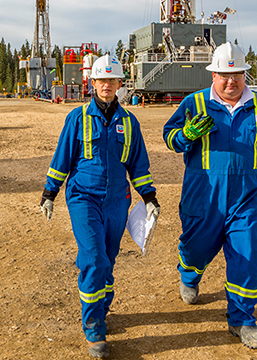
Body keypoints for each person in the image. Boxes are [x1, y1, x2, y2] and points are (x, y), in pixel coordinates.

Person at [162, 42, 257, 349]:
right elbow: (169, 137)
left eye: (237, 74)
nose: (231, 81)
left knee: (247, 255)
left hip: (248, 194)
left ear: (244, 74)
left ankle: (242, 320)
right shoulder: (194, 103)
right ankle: (189, 273)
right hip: (204, 194)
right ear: (213, 75)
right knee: (196, 248)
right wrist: (186, 135)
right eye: (224, 75)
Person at [40, 54, 160, 358]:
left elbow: (139, 166)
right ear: (92, 83)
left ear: (120, 83)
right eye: (101, 80)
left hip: (118, 201)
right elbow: (62, 159)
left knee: (108, 259)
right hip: (84, 198)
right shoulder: (77, 118)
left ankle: (102, 308)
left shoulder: (130, 123)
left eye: (112, 80)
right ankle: (93, 327)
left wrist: (149, 197)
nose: (106, 85)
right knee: (93, 258)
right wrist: (49, 193)